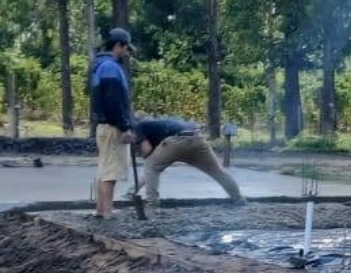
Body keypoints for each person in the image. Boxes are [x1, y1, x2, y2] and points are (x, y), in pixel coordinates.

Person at [132, 116, 245, 216]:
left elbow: (147, 152)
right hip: (197, 139)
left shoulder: (139, 126)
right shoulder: (165, 123)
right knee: (217, 172)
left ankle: (152, 207)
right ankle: (239, 200)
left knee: (151, 166)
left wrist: (140, 151)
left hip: (175, 141)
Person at [90, 28, 136, 219]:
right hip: (112, 127)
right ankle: (106, 212)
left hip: (104, 125)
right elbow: (112, 101)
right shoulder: (110, 67)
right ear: (118, 45)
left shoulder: (100, 65)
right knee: (110, 171)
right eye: (126, 48)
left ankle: (101, 210)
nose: (127, 52)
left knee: (105, 169)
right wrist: (124, 126)